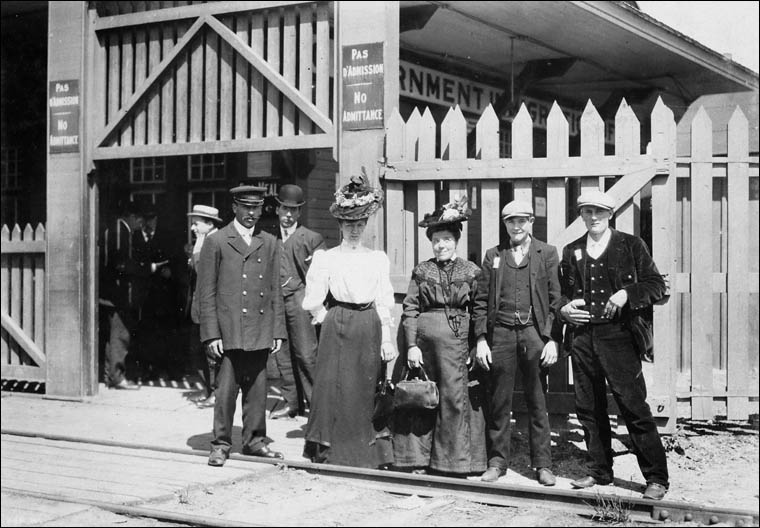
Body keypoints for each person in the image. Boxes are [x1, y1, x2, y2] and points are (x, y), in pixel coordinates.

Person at [558, 189, 669, 500]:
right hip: (582, 337)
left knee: (633, 406)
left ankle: (656, 478)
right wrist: (565, 309)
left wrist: (626, 294)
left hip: (618, 336)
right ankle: (599, 470)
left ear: (610, 215)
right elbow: (562, 295)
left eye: (599, 212)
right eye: (587, 212)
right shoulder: (572, 250)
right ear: (580, 215)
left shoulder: (629, 245)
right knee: (588, 406)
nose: (593, 217)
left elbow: (655, 285)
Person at [301, 173, 397, 468]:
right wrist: (325, 317)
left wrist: (386, 338)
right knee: (333, 387)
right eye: (349, 225)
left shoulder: (377, 258)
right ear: (340, 226)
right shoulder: (327, 258)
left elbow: (383, 299)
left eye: (359, 225)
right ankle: (332, 452)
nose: (354, 230)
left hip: (368, 322)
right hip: (337, 322)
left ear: (365, 225)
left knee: (363, 387)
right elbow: (313, 298)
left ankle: (362, 453)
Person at [392, 195, 487, 476]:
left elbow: (480, 310)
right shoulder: (422, 271)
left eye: (446, 239)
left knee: (454, 400)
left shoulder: (471, 271)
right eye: (436, 240)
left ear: (456, 240)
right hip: (425, 345)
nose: (441, 245)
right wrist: (411, 346)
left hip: (458, 345)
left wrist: (475, 344)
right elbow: (410, 308)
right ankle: (417, 460)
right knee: (422, 399)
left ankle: (454, 463)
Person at [472, 200, 562, 485]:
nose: (516, 226)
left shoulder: (546, 253)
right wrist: (482, 339)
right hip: (501, 334)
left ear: (531, 222)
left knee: (537, 400)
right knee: (499, 400)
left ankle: (543, 464)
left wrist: (550, 339)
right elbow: (481, 301)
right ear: (505, 224)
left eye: (522, 220)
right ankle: (497, 462)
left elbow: (555, 300)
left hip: (533, 334)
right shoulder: (494, 255)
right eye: (511, 221)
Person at [197, 185, 287, 467]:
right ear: (234, 207)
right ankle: (221, 444)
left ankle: (255, 442)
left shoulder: (270, 242)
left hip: (259, 330)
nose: (252, 213)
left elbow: (275, 291)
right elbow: (206, 292)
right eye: (246, 207)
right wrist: (211, 334)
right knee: (224, 393)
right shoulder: (218, 240)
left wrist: (277, 331)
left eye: (257, 208)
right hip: (229, 331)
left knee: (258, 391)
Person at [269, 184, 325, 419]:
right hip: (275, 304)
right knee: (281, 353)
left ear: (300, 212)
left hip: (300, 301)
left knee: (305, 354)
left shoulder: (312, 239)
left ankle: (316, 406)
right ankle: (292, 402)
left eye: (293, 210)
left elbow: (322, 275)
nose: (288, 214)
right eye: (284, 208)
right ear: (277, 209)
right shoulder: (267, 238)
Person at [99, 201, 148, 390]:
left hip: (108, 295)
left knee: (112, 337)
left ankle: (110, 376)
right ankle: (118, 378)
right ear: (133, 217)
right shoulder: (121, 231)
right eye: (140, 220)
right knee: (121, 336)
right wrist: (146, 268)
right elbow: (121, 265)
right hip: (118, 295)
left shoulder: (113, 229)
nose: (140, 225)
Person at [186, 204, 222, 409]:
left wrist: (197, 249)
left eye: (196, 223)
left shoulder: (213, 242)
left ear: (209, 224)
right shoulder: (203, 241)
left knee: (211, 354)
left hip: (211, 309)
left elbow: (203, 272)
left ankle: (216, 393)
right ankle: (209, 390)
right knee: (199, 352)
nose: (193, 227)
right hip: (199, 309)